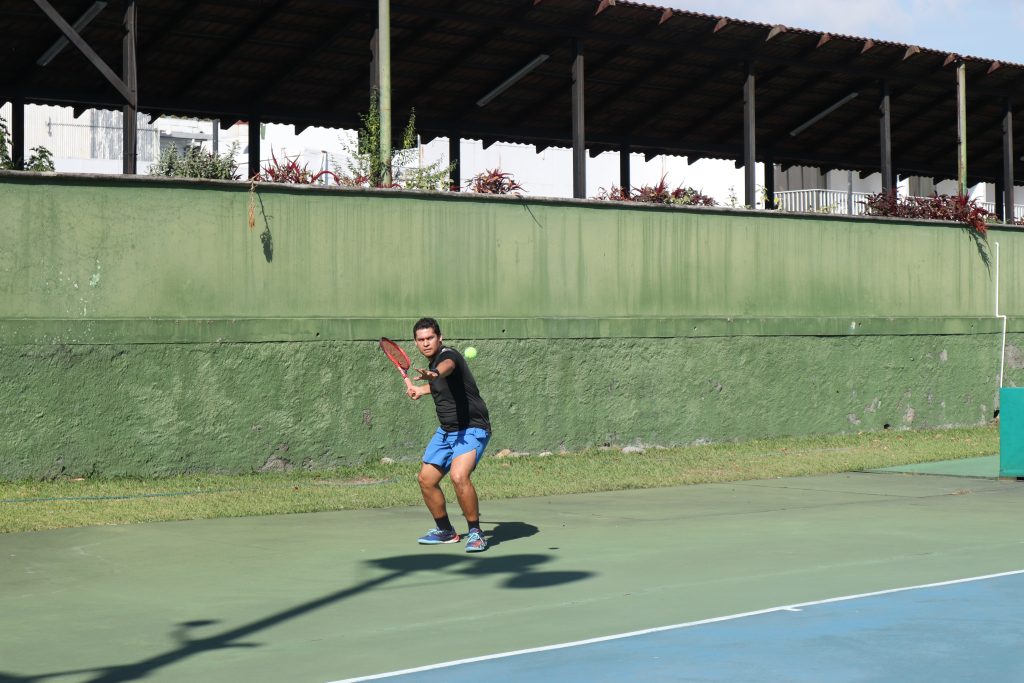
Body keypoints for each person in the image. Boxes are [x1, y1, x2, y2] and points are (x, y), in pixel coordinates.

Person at [405, 317, 492, 552]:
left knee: (458, 476)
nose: (426, 343)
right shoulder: (432, 366)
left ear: (440, 338)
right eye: (421, 339)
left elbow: (447, 368)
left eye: (430, 338)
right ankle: (445, 531)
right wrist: (421, 390)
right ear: (415, 342)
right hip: (447, 431)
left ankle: (476, 532)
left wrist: (434, 374)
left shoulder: (449, 356)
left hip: (472, 427)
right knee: (426, 479)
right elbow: (441, 386)